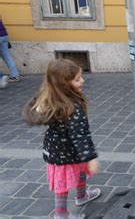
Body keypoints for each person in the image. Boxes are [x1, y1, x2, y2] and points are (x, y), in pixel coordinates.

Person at [22, 59, 101, 219]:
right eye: (77, 79)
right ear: (63, 84)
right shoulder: (71, 106)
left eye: (81, 77)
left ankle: (81, 196)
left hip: (57, 149)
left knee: (80, 172)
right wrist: (90, 158)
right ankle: (61, 215)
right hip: (65, 152)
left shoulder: (52, 97)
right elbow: (80, 135)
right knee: (63, 185)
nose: (82, 81)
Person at [0, 14, 20, 82]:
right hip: (4, 35)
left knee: (7, 57)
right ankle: (15, 76)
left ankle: (1, 77)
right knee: (7, 57)